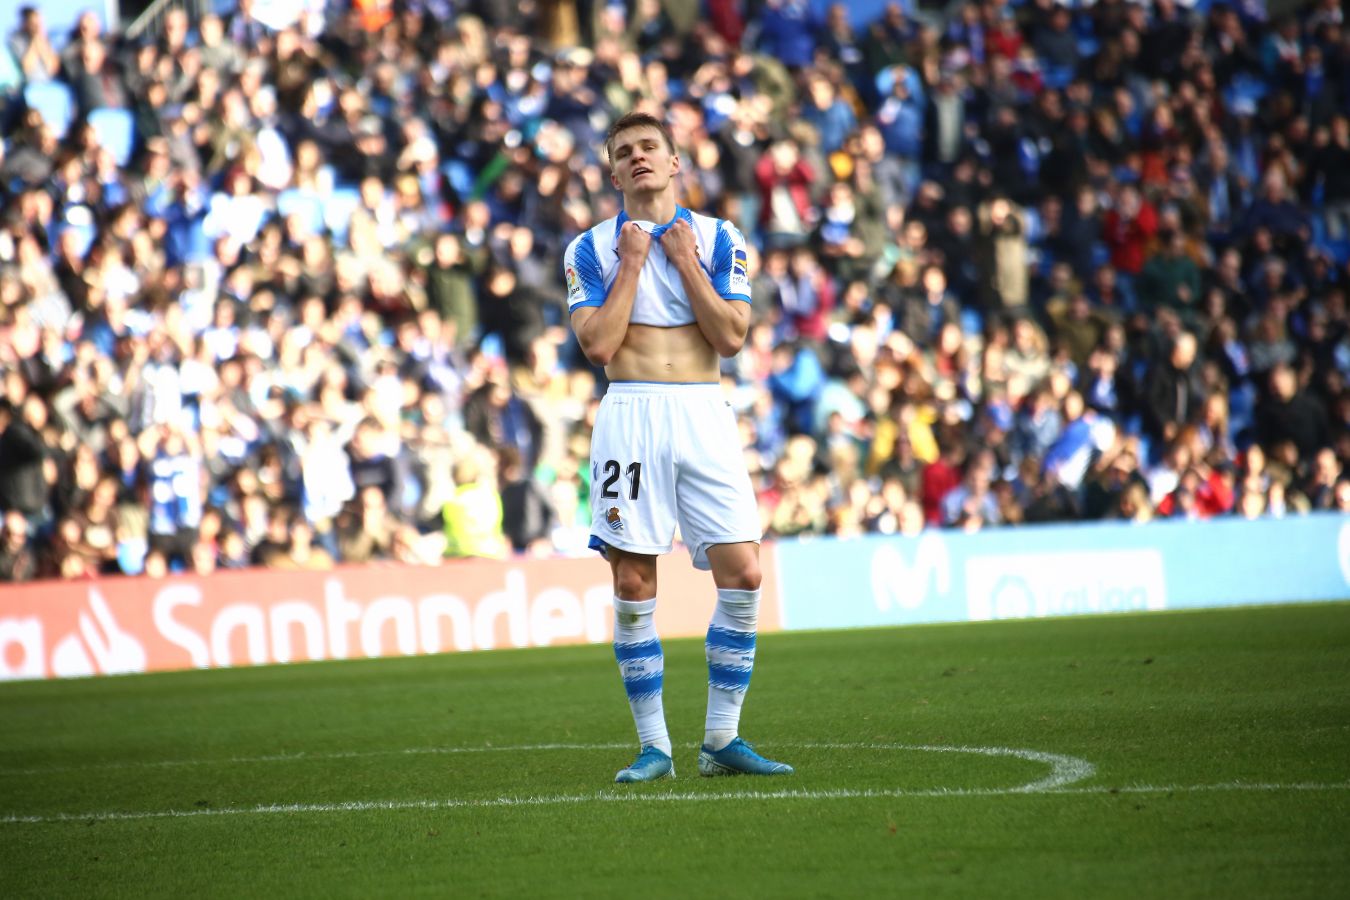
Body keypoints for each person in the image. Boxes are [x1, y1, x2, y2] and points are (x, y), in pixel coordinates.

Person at [564, 111, 793, 783]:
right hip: (630, 413)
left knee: (745, 572)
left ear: (674, 164)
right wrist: (633, 264)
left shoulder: (720, 238)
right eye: (624, 152)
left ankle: (722, 738)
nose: (638, 158)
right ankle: (655, 748)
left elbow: (730, 336)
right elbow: (599, 345)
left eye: (649, 148)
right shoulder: (591, 249)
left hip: (702, 411)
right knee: (633, 580)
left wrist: (685, 260)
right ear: (612, 173)